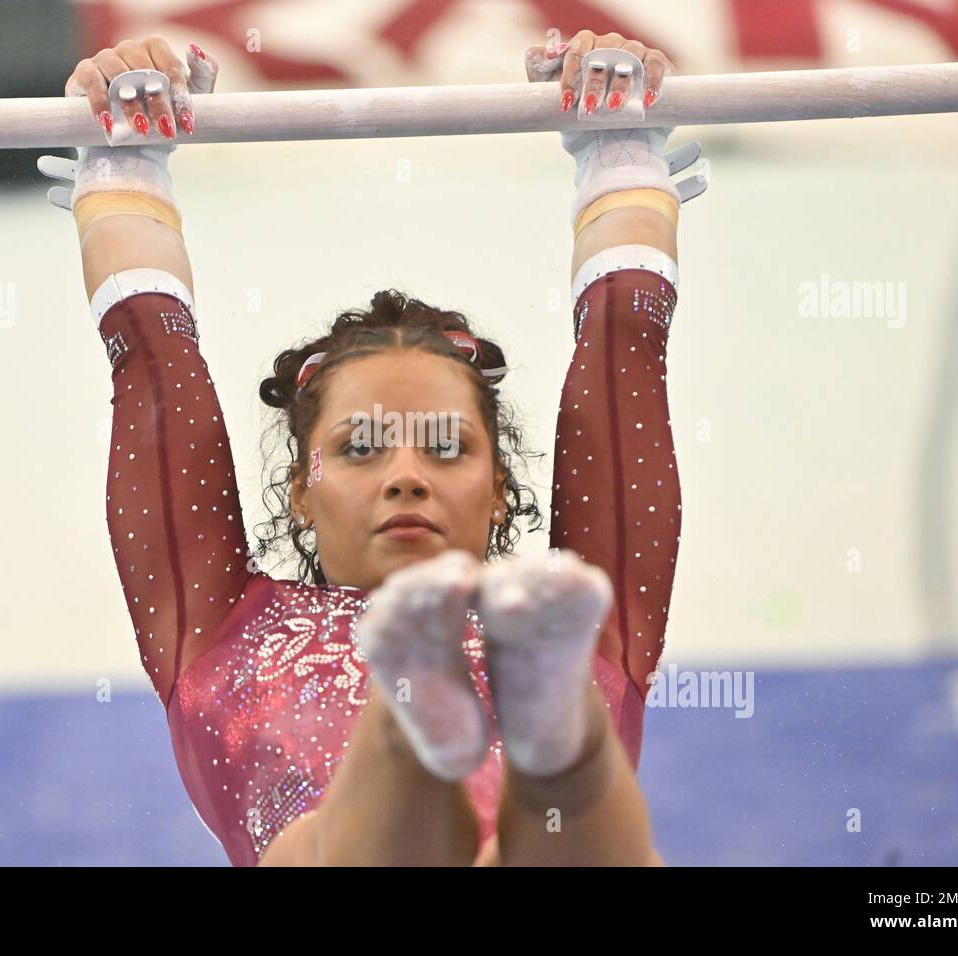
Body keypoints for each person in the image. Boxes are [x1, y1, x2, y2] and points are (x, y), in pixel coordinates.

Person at [39, 27, 702, 866]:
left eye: (445, 450)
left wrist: (622, 154)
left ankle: (510, 736)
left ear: (500, 486)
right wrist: (123, 155)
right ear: (301, 491)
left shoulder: (554, 616)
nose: (405, 478)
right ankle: (487, 733)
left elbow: (625, 349)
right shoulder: (223, 622)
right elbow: (151, 357)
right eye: (360, 449)